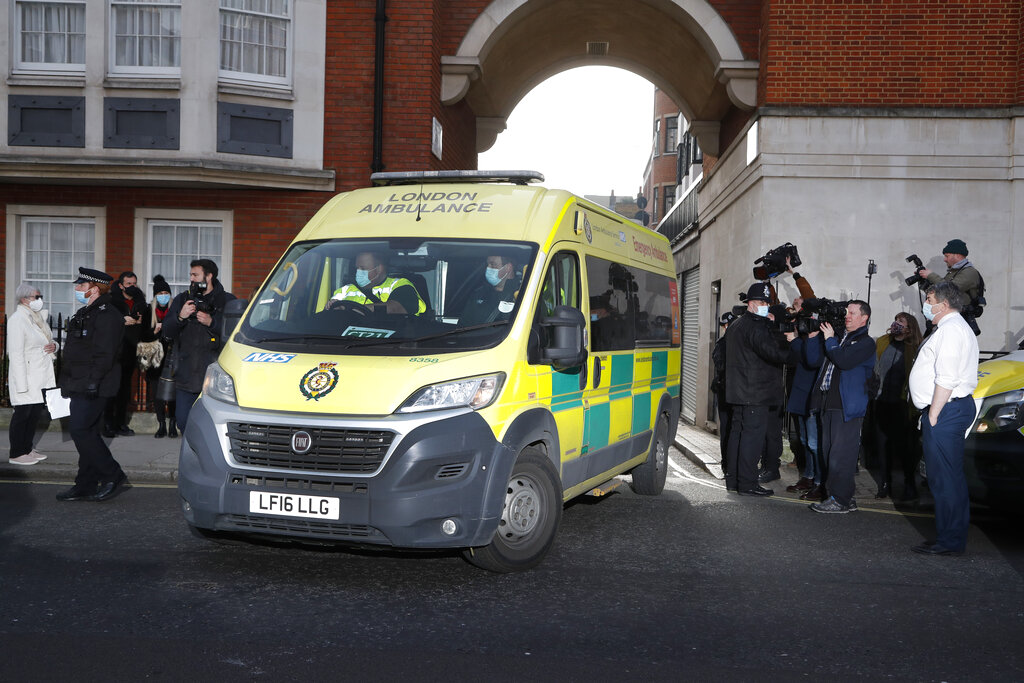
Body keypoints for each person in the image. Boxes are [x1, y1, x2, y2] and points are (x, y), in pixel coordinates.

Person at [908, 282, 979, 556]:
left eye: (929, 298)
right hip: (948, 409)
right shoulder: (953, 327)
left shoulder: (950, 330)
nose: (926, 303)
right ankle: (948, 535)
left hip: (946, 410)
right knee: (945, 478)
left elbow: (946, 377)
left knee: (945, 479)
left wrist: (934, 414)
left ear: (944, 303)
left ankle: (950, 541)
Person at [56, 267, 128, 502]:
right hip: (80, 382)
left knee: (80, 430)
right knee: (86, 431)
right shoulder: (86, 312)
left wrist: (92, 383)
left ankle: (112, 474)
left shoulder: (108, 315)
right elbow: (76, 351)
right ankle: (85, 484)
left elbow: (104, 354)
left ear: (94, 289)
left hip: (95, 384)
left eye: (81, 286)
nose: (77, 289)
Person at [805, 300, 876, 514]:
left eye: (852, 313)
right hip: (828, 403)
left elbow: (844, 361)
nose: (847, 316)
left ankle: (840, 499)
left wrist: (830, 341)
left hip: (847, 407)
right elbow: (813, 360)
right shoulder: (840, 338)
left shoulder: (866, 342)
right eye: (846, 312)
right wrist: (812, 338)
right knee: (828, 452)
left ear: (864, 318)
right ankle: (843, 496)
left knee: (841, 455)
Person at [724, 282, 792, 496]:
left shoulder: (736, 324)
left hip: (739, 391)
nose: (765, 306)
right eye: (762, 302)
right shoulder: (756, 325)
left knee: (737, 435)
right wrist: (793, 345)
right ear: (751, 303)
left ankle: (734, 480)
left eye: (767, 302)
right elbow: (774, 354)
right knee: (751, 439)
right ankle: (747, 483)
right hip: (755, 392)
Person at [162, 259, 236, 431]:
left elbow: (234, 335)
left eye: (195, 275)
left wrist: (213, 322)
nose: (192, 279)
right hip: (186, 376)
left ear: (209, 276)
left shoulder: (227, 300)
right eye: (191, 275)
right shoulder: (182, 300)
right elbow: (166, 332)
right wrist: (180, 317)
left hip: (214, 378)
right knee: (183, 422)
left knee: (210, 427)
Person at [871, 312, 923, 500]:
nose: (896, 324)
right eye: (896, 320)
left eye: (901, 321)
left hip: (902, 404)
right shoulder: (884, 341)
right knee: (882, 444)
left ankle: (910, 484)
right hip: (882, 400)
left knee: (905, 447)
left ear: (910, 327)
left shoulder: (915, 347)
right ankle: (885, 483)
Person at [6, 283, 57, 466]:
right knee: (23, 414)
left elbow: (48, 340)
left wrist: (55, 346)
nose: (39, 300)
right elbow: (16, 353)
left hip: (40, 375)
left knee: (34, 413)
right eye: (36, 296)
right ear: (24, 299)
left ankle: (27, 449)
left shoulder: (37, 318)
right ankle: (17, 453)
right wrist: (21, 384)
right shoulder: (17, 320)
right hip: (26, 376)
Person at [784, 299, 823, 497]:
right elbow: (793, 359)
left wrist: (798, 340)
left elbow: (813, 359)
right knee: (804, 439)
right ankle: (808, 475)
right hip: (800, 393)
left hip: (812, 395)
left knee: (814, 442)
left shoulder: (821, 337)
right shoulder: (804, 337)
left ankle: (818, 480)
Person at [105, 271, 145, 437]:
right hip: (114, 353)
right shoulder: (112, 301)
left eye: (134, 284)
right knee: (110, 390)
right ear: (121, 285)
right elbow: (105, 323)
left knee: (125, 391)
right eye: (129, 284)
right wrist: (122, 321)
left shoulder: (139, 302)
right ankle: (107, 424)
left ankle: (120, 423)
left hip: (130, 352)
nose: (132, 287)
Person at [916, 239, 984, 334]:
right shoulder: (954, 273)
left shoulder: (969, 272)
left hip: (959, 319)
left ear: (957, 255)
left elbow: (949, 289)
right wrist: (924, 281)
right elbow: (940, 293)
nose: (944, 259)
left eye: (947, 256)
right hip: (948, 317)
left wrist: (930, 275)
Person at [330, 251, 425, 315]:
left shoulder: (400, 285)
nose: (358, 272)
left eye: (363, 268)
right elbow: (330, 314)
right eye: (357, 268)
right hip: (347, 341)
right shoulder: (345, 290)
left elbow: (395, 308)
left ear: (379, 269)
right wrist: (333, 306)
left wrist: (352, 310)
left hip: (391, 343)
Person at [140, 275, 177, 439]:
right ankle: (161, 424)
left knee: (173, 393)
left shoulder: (175, 310)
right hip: (155, 357)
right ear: (155, 295)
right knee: (157, 394)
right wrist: (154, 332)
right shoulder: (149, 312)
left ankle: (172, 424)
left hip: (171, 357)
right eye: (160, 292)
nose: (163, 295)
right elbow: (142, 336)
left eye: (166, 292)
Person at [460, 254, 520, 324]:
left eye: (493, 264)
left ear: (508, 267)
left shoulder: (522, 294)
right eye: (487, 264)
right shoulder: (479, 294)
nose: (488, 268)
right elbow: (463, 325)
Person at [710, 311, 736, 473]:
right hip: (728, 391)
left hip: (728, 390)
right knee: (730, 428)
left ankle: (728, 463)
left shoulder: (722, 343)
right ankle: (728, 463)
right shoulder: (724, 343)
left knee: (728, 428)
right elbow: (719, 365)